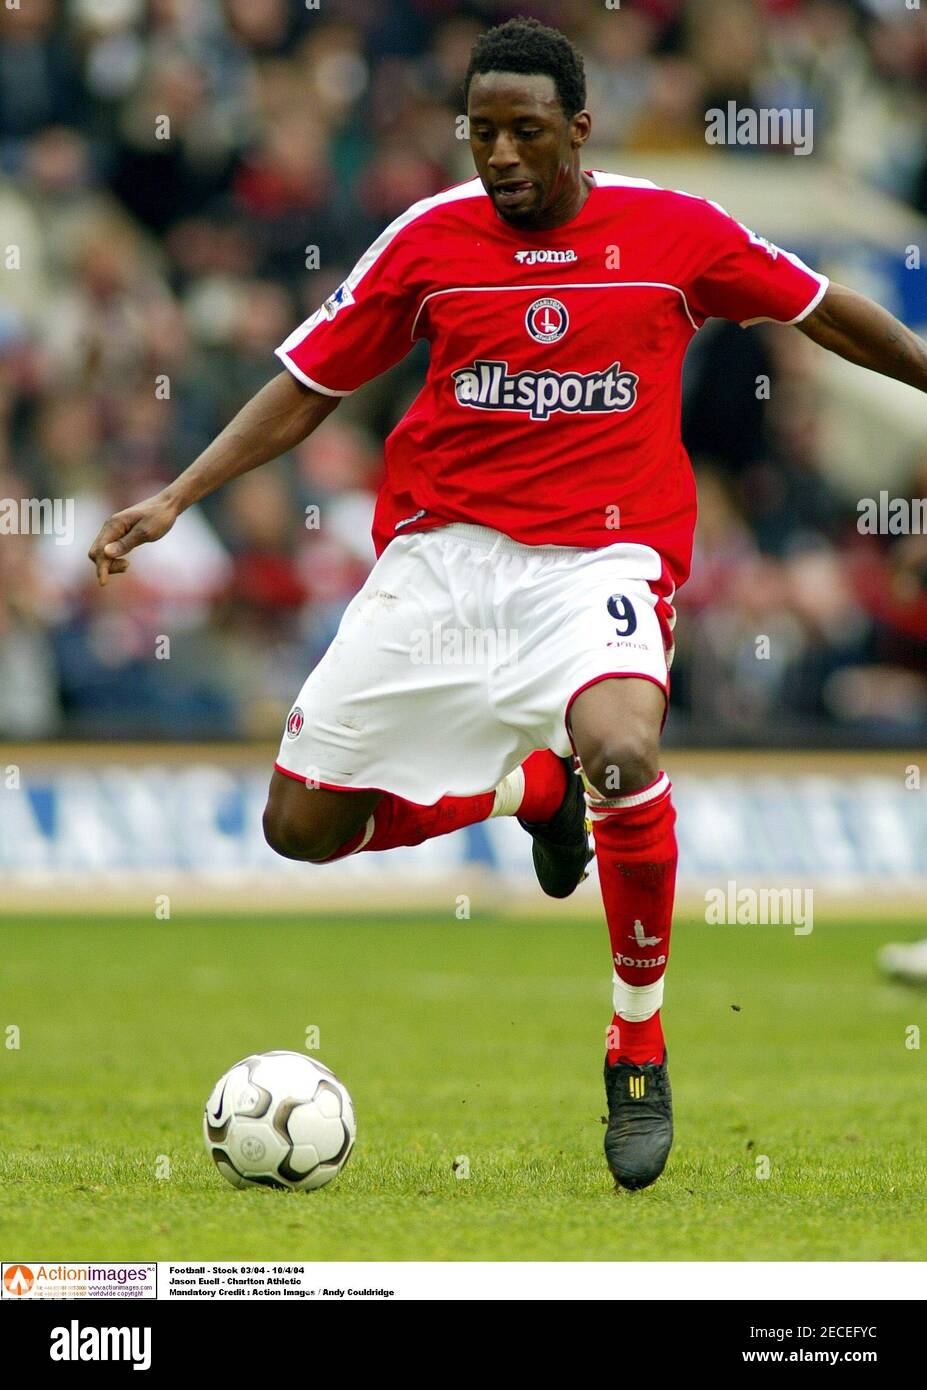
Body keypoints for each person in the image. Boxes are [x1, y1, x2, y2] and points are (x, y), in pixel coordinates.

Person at [89, 18, 927, 1191]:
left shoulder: (673, 231)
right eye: (481, 131)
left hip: (605, 558)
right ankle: (533, 789)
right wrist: (177, 497)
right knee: (299, 830)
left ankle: (637, 1039)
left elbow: (822, 308)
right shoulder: (428, 241)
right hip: (441, 562)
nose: (501, 154)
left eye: (526, 130)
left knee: (626, 752)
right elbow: (308, 385)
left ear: (580, 128)